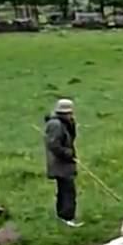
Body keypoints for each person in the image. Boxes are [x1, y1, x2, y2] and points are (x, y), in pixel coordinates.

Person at [44, 98, 81, 228]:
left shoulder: (65, 123)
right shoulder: (56, 125)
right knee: (67, 190)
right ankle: (66, 217)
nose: (71, 115)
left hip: (65, 163)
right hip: (60, 163)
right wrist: (67, 153)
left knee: (65, 189)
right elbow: (53, 145)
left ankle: (63, 216)